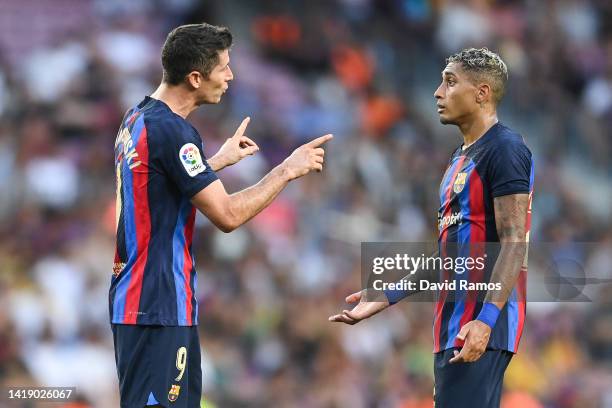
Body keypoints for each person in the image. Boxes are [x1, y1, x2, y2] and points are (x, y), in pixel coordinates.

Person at [110, 23, 332, 408]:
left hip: (140, 301)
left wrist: (213, 164)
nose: (230, 77)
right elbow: (227, 215)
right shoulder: (175, 132)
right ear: (195, 78)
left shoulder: (138, 117)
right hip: (159, 303)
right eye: (224, 68)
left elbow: (159, 185)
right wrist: (287, 169)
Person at [330, 48, 533, 407]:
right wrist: (387, 295)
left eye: (450, 82)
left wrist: (485, 321)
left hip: (479, 325)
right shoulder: (460, 158)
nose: (438, 92)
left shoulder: (505, 148)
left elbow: (514, 241)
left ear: (482, 93)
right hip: (454, 325)